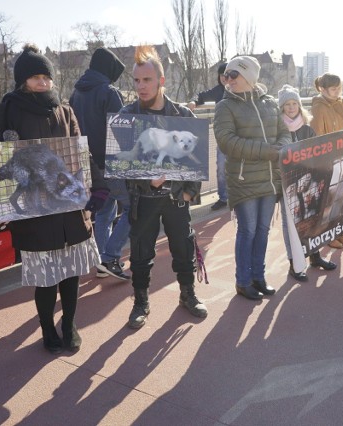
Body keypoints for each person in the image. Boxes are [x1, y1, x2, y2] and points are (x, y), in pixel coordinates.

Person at [0, 44, 108, 354]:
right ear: (22, 80)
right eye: (36, 77)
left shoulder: (65, 109)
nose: (43, 82)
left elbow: (82, 152)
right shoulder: (7, 110)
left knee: (70, 272)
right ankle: (47, 329)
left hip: (67, 205)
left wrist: (98, 186)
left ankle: (69, 324)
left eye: (47, 76)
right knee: (46, 277)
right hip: (35, 209)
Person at [121, 46, 206, 328]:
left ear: (161, 80)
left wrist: (187, 192)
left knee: (183, 247)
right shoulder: (126, 115)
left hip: (175, 199)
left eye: (146, 80)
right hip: (142, 197)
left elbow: (197, 160)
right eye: (136, 81)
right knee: (141, 253)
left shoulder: (181, 114)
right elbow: (118, 164)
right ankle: (140, 302)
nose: (141, 86)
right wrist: (146, 178)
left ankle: (188, 295)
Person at [213, 56, 291, 300]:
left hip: (270, 178)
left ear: (249, 77)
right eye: (226, 75)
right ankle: (243, 281)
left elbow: (284, 132)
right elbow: (227, 141)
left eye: (233, 75)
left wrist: (282, 147)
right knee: (247, 231)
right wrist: (269, 151)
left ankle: (259, 276)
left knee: (263, 230)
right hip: (244, 178)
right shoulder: (225, 106)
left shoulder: (269, 102)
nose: (228, 79)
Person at [69, 47, 130, 280]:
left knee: (104, 212)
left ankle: (102, 261)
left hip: (89, 164)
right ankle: (109, 257)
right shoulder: (109, 92)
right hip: (111, 162)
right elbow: (121, 131)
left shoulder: (76, 93)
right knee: (134, 209)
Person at [277, 84, 336, 282]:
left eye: (294, 103)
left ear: (300, 106)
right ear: (282, 107)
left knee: (312, 218)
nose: (291, 107)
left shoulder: (308, 130)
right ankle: (294, 263)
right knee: (290, 225)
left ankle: (315, 256)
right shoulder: (278, 130)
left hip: (309, 180)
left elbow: (316, 154)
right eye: (287, 104)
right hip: (287, 185)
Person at [310, 72, 343, 249]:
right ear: (323, 89)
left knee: (342, 197)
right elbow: (317, 136)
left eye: (339, 88)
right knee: (329, 198)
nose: (337, 92)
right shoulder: (319, 107)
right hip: (328, 158)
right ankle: (328, 235)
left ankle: (340, 231)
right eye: (333, 89)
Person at [188, 63, 229, 211]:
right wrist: (193, 101)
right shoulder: (218, 91)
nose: (224, 78)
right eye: (221, 75)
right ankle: (224, 197)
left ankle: (241, 196)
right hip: (223, 137)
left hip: (241, 135)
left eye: (228, 74)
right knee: (221, 167)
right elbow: (200, 95)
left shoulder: (240, 90)